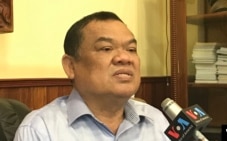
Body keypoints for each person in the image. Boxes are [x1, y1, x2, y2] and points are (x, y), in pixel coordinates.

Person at [14, 11, 170, 141]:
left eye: (131, 49)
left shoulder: (155, 120)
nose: (125, 58)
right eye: (106, 48)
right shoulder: (40, 129)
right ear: (71, 66)